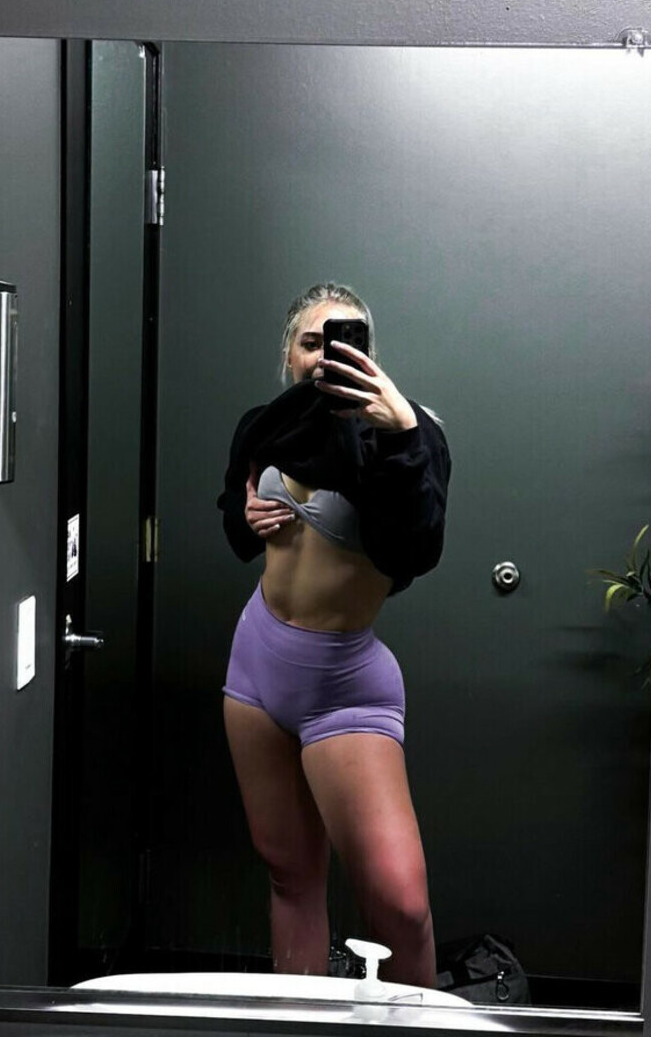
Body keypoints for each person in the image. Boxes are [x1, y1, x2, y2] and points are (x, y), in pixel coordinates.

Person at [217, 282, 450, 987]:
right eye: (310, 342)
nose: (324, 355)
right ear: (289, 355)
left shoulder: (411, 433)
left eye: (341, 341)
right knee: (289, 876)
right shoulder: (265, 426)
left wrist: (400, 434)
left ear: (368, 353)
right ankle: (299, 1023)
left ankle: (409, 1029)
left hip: (344, 685)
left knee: (400, 906)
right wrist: (245, 518)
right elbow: (235, 517)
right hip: (255, 666)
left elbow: (416, 550)